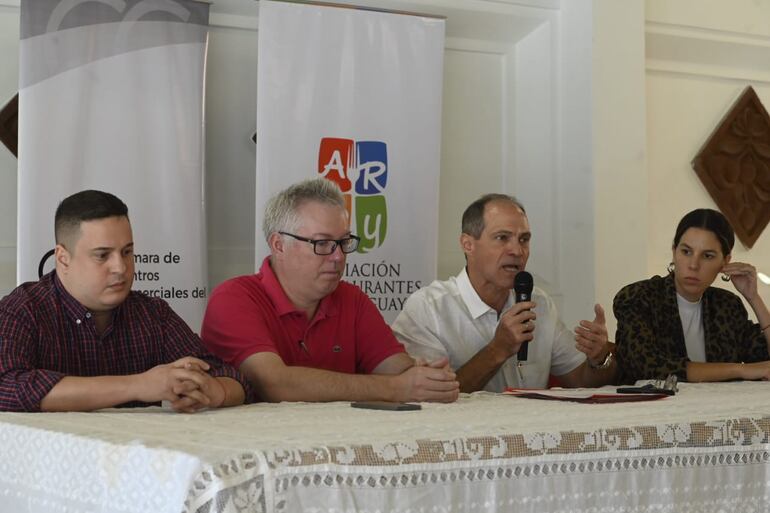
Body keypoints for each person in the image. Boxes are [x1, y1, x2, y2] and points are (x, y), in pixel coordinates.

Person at [201, 178, 459, 403]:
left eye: (343, 242)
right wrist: (394, 389)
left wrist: (428, 377)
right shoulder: (234, 298)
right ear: (279, 245)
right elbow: (274, 384)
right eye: (323, 243)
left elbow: (398, 370)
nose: (338, 257)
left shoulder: (351, 299)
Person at [0, 190, 249, 412]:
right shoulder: (23, 309)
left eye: (127, 252)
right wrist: (139, 385)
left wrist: (215, 392)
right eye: (102, 255)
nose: (120, 267)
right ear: (63, 258)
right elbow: (7, 386)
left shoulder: (152, 314)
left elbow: (230, 377)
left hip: (137, 460)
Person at [391, 194, 616, 392]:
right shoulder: (429, 309)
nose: (517, 251)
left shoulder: (539, 303)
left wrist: (599, 358)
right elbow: (429, 396)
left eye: (524, 240)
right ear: (468, 244)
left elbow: (579, 380)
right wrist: (498, 350)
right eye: (502, 238)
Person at [614, 208, 770, 383]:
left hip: (716, 408)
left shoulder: (726, 305)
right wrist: (740, 369)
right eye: (686, 252)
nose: (694, 265)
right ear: (674, 251)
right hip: (651, 408)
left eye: (707, 256)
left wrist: (753, 298)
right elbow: (649, 367)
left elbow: (764, 361)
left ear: (725, 262)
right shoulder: (637, 297)